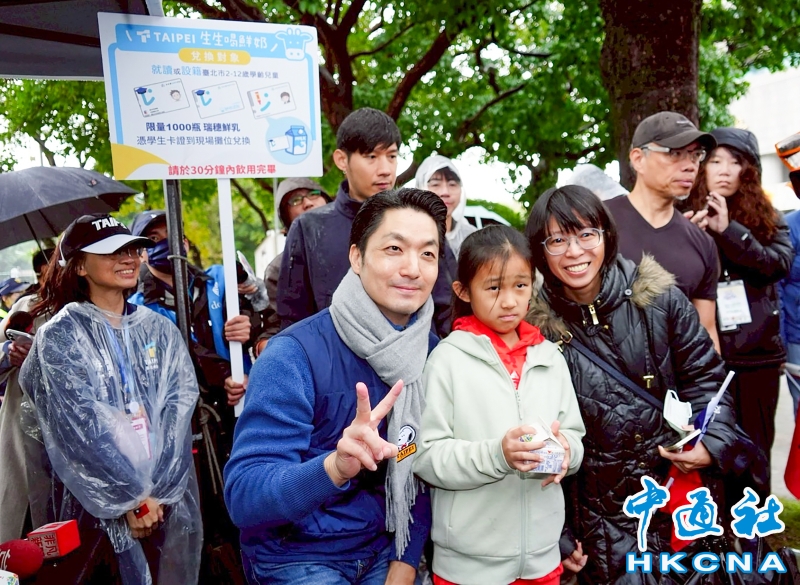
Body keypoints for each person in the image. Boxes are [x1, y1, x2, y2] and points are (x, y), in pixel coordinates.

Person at [525, 186, 755, 584]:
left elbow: (707, 379)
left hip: (676, 497)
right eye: (557, 240)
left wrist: (712, 443)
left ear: (606, 235)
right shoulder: (533, 329)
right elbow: (533, 432)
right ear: (540, 251)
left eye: (586, 234)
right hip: (595, 521)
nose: (574, 252)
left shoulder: (661, 299)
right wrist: (556, 534)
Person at [225, 189, 447, 585]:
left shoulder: (432, 354)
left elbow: (422, 468)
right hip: (297, 554)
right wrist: (334, 467)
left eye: (427, 253)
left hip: (386, 546)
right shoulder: (293, 355)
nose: (413, 268)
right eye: (394, 249)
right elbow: (244, 497)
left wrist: (407, 560)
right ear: (356, 257)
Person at [19, 213, 202, 585]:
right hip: (95, 506)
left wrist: (157, 493)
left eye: (132, 249)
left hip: (164, 502)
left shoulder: (158, 329)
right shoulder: (61, 335)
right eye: (111, 251)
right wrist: (131, 498)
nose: (128, 258)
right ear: (80, 266)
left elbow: (178, 411)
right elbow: (76, 430)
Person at [413, 225, 585, 585]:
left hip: (542, 561)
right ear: (463, 291)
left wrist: (567, 452)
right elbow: (425, 456)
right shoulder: (446, 360)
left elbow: (573, 434)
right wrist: (498, 455)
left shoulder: (549, 357)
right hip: (467, 567)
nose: (509, 301)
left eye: (520, 285)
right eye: (493, 288)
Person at [128, 209, 257, 581]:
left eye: (172, 234)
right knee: (200, 523)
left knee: (246, 509)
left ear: (185, 241)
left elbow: (263, 314)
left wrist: (251, 329)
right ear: (141, 253)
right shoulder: (136, 307)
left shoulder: (219, 282)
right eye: (153, 239)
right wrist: (218, 377)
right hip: (182, 433)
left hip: (236, 419)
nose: (166, 244)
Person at [277, 108, 452, 336]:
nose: (385, 170)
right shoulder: (308, 228)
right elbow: (293, 317)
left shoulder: (422, 222)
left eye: (391, 156)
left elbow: (447, 309)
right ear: (342, 160)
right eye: (371, 157)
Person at [686, 127, 793, 498]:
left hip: (757, 356)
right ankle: (715, 527)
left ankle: (754, 527)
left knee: (756, 452)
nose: (724, 170)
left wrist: (728, 230)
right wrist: (690, 238)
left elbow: (778, 265)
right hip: (703, 356)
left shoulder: (767, 216)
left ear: (748, 170)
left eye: (735, 162)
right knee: (708, 448)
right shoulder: (683, 217)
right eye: (715, 160)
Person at [604, 111, 721, 350]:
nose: (690, 166)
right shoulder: (596, 223)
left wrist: (715, 374)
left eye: (696, 155)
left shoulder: (702, 243)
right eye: (675, 153)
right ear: (638, 159)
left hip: (678, 372)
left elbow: (706, 331)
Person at [254, 178, 330, 355]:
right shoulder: (278, 269)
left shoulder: (359, 247)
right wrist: (264, 346)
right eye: (295, 200)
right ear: (286, 218)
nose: (308, 203)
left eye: (314, 194)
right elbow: (278, 326)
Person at [415, 155, 477, 258]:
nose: (445, 192)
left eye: (452, 184)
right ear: (420, 189)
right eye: (435, 184)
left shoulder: (471, 237)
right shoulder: (408, 233)